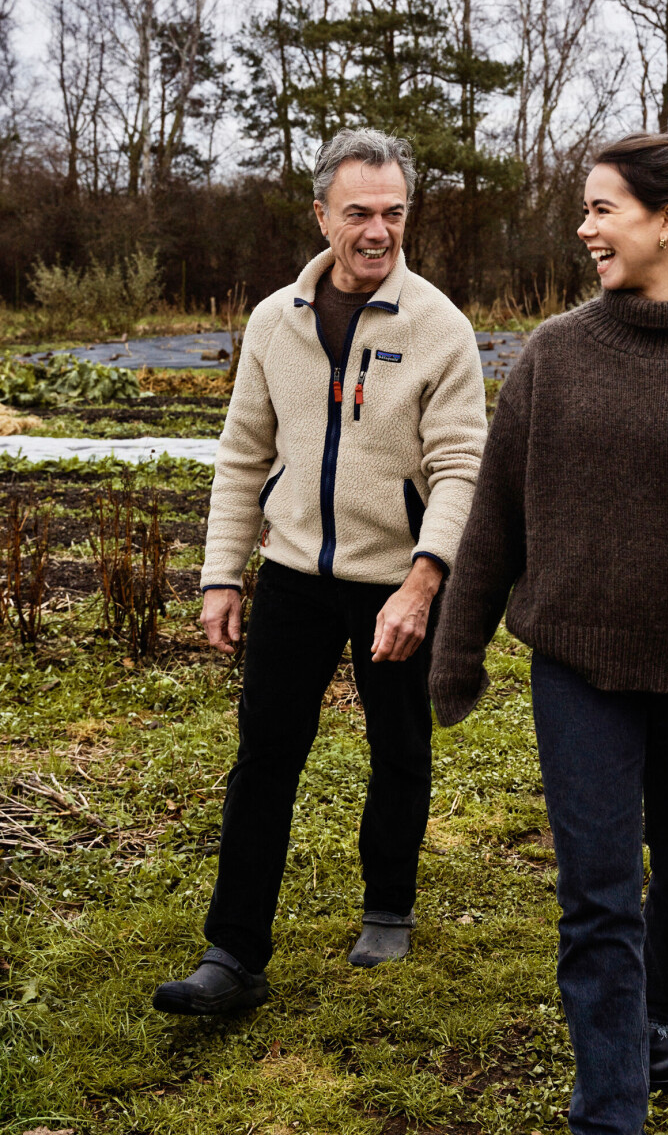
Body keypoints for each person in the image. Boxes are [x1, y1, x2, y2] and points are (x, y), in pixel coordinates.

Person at [429, 132, 668, 1134]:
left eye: (602, 209)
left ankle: (665, 1012)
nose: (584, 227)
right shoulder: (557, 355)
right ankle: (611, 1110)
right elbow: (495, 520)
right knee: (598, 895)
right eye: (586, 209)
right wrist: (459, 643)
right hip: (577, 667)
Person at [153, 127, 487, 1016]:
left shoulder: (440, 328)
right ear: (321, 216)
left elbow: (462, 467)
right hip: (295, 573)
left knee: (399, 747)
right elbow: (240, 455)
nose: (378, 231)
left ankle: (388, 906)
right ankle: (233, 953)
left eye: (394, 213)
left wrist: (425, 580)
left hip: (396, 579)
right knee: (265, 756)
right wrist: (221, 574)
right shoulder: (275, 321)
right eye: (359, 214)